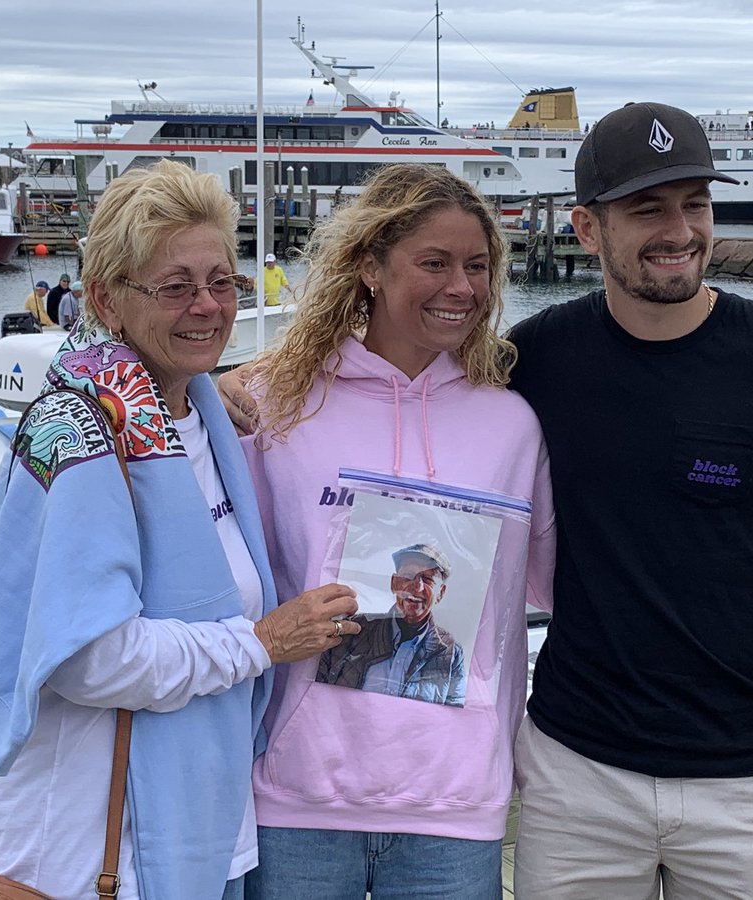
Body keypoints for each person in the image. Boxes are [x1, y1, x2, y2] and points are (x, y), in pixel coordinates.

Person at [507, 102, 753, 898]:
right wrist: (254, 387)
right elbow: (404, 378)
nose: (680, 230)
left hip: (752, 781)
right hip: (576, 774)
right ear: (586, 228)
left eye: (696, 203)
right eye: (648, 209)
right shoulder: (534, 358)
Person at [0, 159, 360, 900]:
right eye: (175, 286)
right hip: (89, 851)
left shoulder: (203, 415)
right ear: (106, 300)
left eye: (222, 281)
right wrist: (261, 643)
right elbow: (88, 660)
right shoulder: (78, 434)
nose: (206, 306)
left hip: (203, 825)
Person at [223, 163, 554, 899]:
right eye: (434, 263)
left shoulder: (512, 425)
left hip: (456, 802)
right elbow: (221, 571)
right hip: (297, 794)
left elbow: (554, 585)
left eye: (477, 266)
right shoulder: (274, 404)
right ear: (370, 267)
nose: (461, 287)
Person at [318, 543, 466, 706]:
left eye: (427, 579)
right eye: (408, 576)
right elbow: (315, 696)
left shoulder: (452, 654)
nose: (417, 587)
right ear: (394, 583)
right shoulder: (351, 630)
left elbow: (455, 714)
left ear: (441, 593)